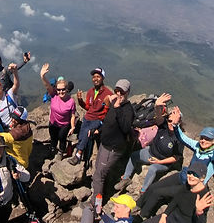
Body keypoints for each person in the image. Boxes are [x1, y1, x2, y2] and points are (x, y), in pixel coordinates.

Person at [90, 82, 169, 212]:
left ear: (127, 93)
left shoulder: (127, 109)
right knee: (98, 172)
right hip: (105, 145)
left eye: (122, 91)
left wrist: (116, 108)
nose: (118, 93)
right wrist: (99, 129)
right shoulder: (115, 103)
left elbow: (126, 128)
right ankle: (99, 195)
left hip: (113, 148)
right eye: (116, 90)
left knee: (99, 175)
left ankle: (96, 205)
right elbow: (108, 121)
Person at [137, 161, 214, 223]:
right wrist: (165, 215)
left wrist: (199, 211)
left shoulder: (204, 197)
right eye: (190, 173)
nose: (191, 176)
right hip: (174, 217)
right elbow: (176, 200)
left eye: (195, 175)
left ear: (202, 178)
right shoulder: (187, 186)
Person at [116, 103, 184, 194]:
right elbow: (158, 116)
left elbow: (176, 157)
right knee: (134, 155)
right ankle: (126, 178)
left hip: (163, 161)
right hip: (150, 152)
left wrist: (159, 162)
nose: (169, 121)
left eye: (172, 119)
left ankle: (144, 191)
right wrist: (157, 105)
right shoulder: (163, 126)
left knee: (153, 168)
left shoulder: (178, 138)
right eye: (169, 118)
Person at [68, 67, 111, 166]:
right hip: (88, 118)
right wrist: (80, 100)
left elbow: (107, 112)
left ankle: (78, 155)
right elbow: (88, 107)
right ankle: (83, 158)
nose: (95, 79)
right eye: (94, 77)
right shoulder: (90, 92)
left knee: (87, 133)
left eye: (98, 76)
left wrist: (105, 109)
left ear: (103, 78)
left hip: (97, 119)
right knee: (82, 134)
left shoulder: (107, 94)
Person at [176, 120, 214, 185]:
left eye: (207, 139)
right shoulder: (197, 146)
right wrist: (175, 125)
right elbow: (183, 138)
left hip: (196, 185)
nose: (203, 141)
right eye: (202, 138)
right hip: (186, 178)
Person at [40, 62, 77, 157]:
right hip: (53, 122)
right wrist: (42, 76)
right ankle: (52, 149)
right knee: (53, 138)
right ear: (56, 89)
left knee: (62, 138)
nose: (61, 92)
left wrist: (72, 127)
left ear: (66, 89)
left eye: (63, 89)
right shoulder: (54, 95)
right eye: (59, 89)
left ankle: (61, 151)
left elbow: (72, 115)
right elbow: (47, 86)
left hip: (64, 124)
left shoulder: (71, 102)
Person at [0, 104, 34, 169]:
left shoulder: (15, 135)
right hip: (24, 160)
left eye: (16, 119)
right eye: (13, 117)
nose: (13, 120)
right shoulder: (28, 129)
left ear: (22, 120)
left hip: (16, 164)